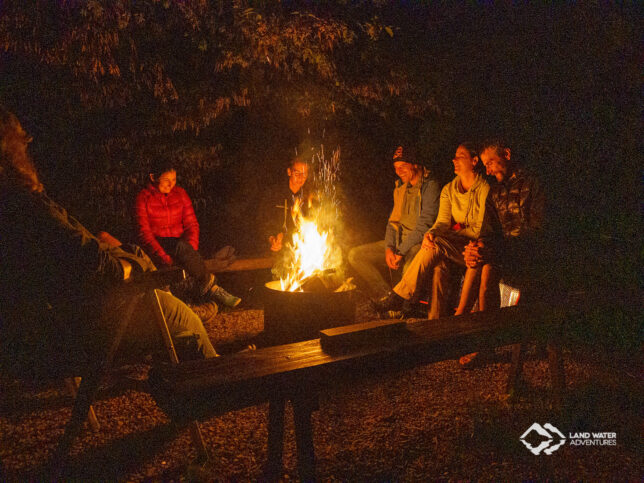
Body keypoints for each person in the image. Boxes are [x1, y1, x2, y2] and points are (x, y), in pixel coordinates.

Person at [0, 109, 218, 378]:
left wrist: (109, 246)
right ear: (13, 152)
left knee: (133, 254)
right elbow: (95, 262)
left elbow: (74, 249)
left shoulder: (12, 208)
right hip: (96, 319)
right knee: (189, 322)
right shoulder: (30, 205)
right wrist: (129, 265)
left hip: (66, 317)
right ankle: (220, 380)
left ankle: (200, 349)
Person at [373, 143, 490, 319]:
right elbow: (441, 221)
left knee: (435, 244)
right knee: (439, 266)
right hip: (452, 245)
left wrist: (440, 236)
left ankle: (400, 295)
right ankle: (435, 322)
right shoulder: (449, 189)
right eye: (454, 156)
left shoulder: (484, 189)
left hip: (474, 248)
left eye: (460, 156)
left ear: (474, 161)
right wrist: (432, 234)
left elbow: (479, 229)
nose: (454, 160)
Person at [457, 139, 545, 366]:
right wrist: (476, 248)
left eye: (491, 163)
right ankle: (477, 337)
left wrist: (496, 249)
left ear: (506, 154)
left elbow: (539, 232)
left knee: (488, 264)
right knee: (482, 260)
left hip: (533, 255)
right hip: (505, 255)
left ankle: (472, 333)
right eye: (485, 165)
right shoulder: (495, 192)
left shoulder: (534, 183)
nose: (487, 170)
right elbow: (488, 231)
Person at [135, 160, 240, 308]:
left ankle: (203, 294)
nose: (171, 185)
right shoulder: (143, 198)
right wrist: (164, 258)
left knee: (181, 247)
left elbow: (191, 224)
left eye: (174, 180)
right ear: (153, 177)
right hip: (158, 245)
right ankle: (212, 286)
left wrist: (189, 251)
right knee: (178, 246)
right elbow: (144, 233)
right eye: (166, 180)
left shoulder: (180, 194)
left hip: (181, 247)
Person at [348, 145, 440, 298]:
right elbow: (392, 222)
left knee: (408, 270)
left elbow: (425, 226)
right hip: (398, 243)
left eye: (403, 166)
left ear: (415, 164)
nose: (399, 171)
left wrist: (400, 251)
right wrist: (389, 248)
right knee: (355, 255)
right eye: (396, 167)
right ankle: (388, 297)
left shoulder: (430, 186)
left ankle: (403, 305)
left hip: (418, 244)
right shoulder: (401, 187)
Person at [266, 156, 310, 253]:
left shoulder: (308, 197)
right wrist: (272, 239)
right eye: (297, 173)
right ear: (289, 172)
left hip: (301, 251)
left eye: (304, 174)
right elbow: (264, 222)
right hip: (277, 251)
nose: (300, 177)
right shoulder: (274, 194)